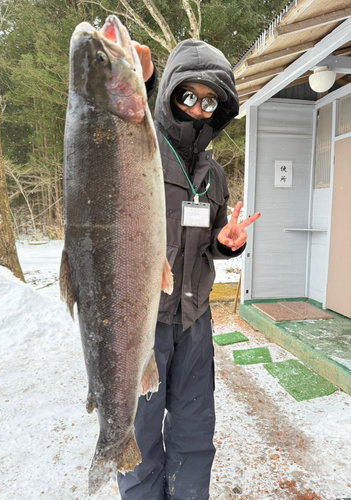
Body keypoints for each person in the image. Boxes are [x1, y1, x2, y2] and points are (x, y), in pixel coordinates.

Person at [118, 39, 261, 500]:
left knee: (195, 433)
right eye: (189, 96)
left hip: (195, 322)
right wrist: (139, 80)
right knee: (140, 437)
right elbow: (119, 126)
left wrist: (227, 243)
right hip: (144, 322)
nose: (199, 108)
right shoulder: (143, 151)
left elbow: (211, 240)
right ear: (170, 95)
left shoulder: (212, 174)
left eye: (210, 100)